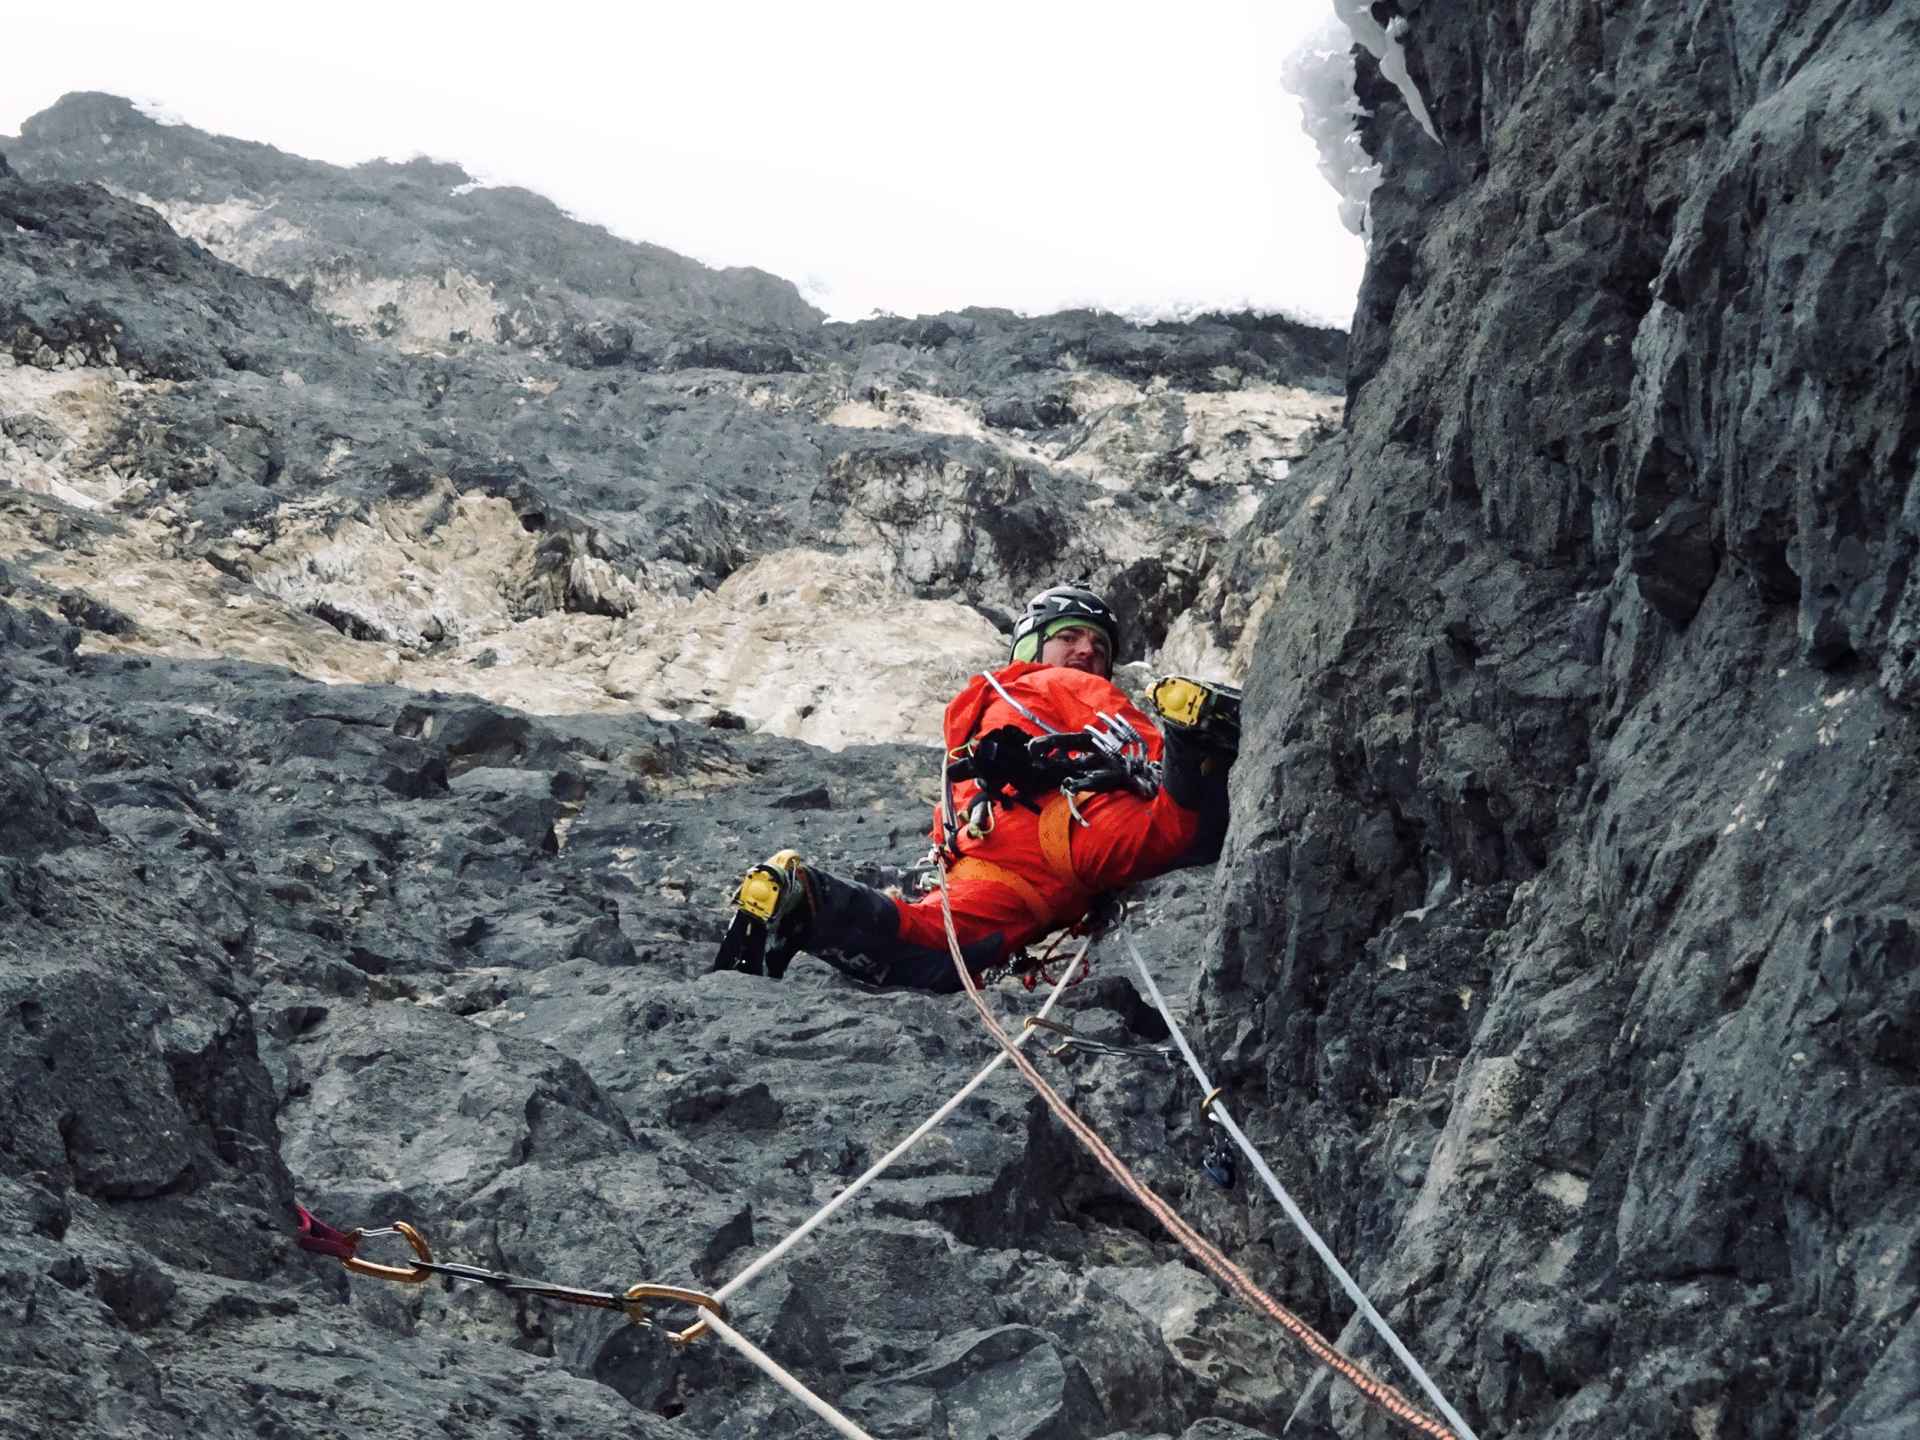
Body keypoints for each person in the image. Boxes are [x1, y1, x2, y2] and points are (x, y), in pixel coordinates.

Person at [712, 582, 1241, 991]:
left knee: (933, 947)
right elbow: (1132, 741)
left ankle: (806, 898)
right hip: (1072, 822)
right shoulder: (1057, 683)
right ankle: (1195, 734)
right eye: (1069, 636)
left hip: (992, 859)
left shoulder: (973, 715)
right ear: (1033, 647)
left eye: (1098, 646)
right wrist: (1169, 749)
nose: (1086, 651)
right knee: (1183, 831)